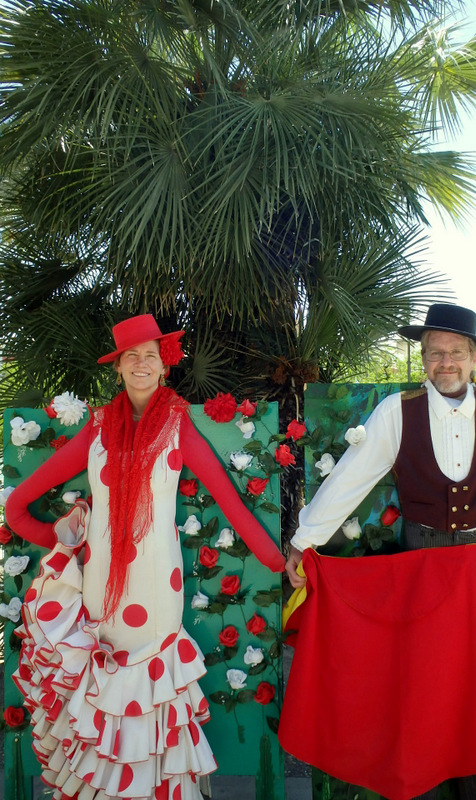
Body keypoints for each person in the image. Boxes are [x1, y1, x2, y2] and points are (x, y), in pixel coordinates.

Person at [283, 303, 476, 800]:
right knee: (418, 700)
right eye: (434, 353)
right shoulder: (396, 413)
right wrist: (303, 543)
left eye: (455, 352)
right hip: (417, 572)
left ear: (474, 358)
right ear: (423, 358)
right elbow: (347, 483)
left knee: (475, 706)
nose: (445, 362)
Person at [6, 314, 285, 800]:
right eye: (130, 356)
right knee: (103, 694)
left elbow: (229, 502)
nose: (140, 364)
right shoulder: (95, 432)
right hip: (100, 596)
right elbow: (16, 506)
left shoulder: (178, 428)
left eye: (149, 356)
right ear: (118, 369)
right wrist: (61, 537)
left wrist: (280, 563)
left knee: (149, 697)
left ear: (164, 366)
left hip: (158, 596)